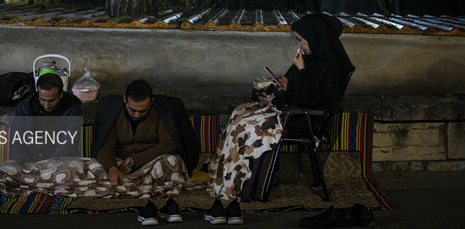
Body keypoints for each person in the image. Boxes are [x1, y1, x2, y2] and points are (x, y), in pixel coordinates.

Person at [207, 13, 354, 215]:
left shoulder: (332, 65)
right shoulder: (314, 58)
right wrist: (282, 83)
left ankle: (242, 184)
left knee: (245, 124)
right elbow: (297, 90)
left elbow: (310, 99)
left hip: (304, 119)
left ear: (316, 37)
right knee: (239, 111)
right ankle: (221, 174)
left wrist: (297, 75)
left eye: (302, 40)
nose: (300, 45)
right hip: (292, 109)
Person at [92, 79, 200, 225]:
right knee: (91, 166)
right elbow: (106, 146)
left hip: (152, 163)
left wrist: (134, 161)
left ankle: (145, 193)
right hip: (120, 164)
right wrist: (111, 167)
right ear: (125, 100)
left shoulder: (161, 111)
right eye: (132, 110)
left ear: (151, 102)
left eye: (142, 111)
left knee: (172, 162)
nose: (137, 115)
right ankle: (135, 185)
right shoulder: (114, 111)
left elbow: (168, 144)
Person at [11, 73, 82, 162]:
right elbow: (16, 141)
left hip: (60, 161)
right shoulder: (25, 107)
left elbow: (68, 145)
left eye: (51, 101)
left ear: (61, 95)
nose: (46, 105)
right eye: (42, 100)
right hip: (29, 159)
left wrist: (47, 164)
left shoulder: (72, 107)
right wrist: (24, 162)